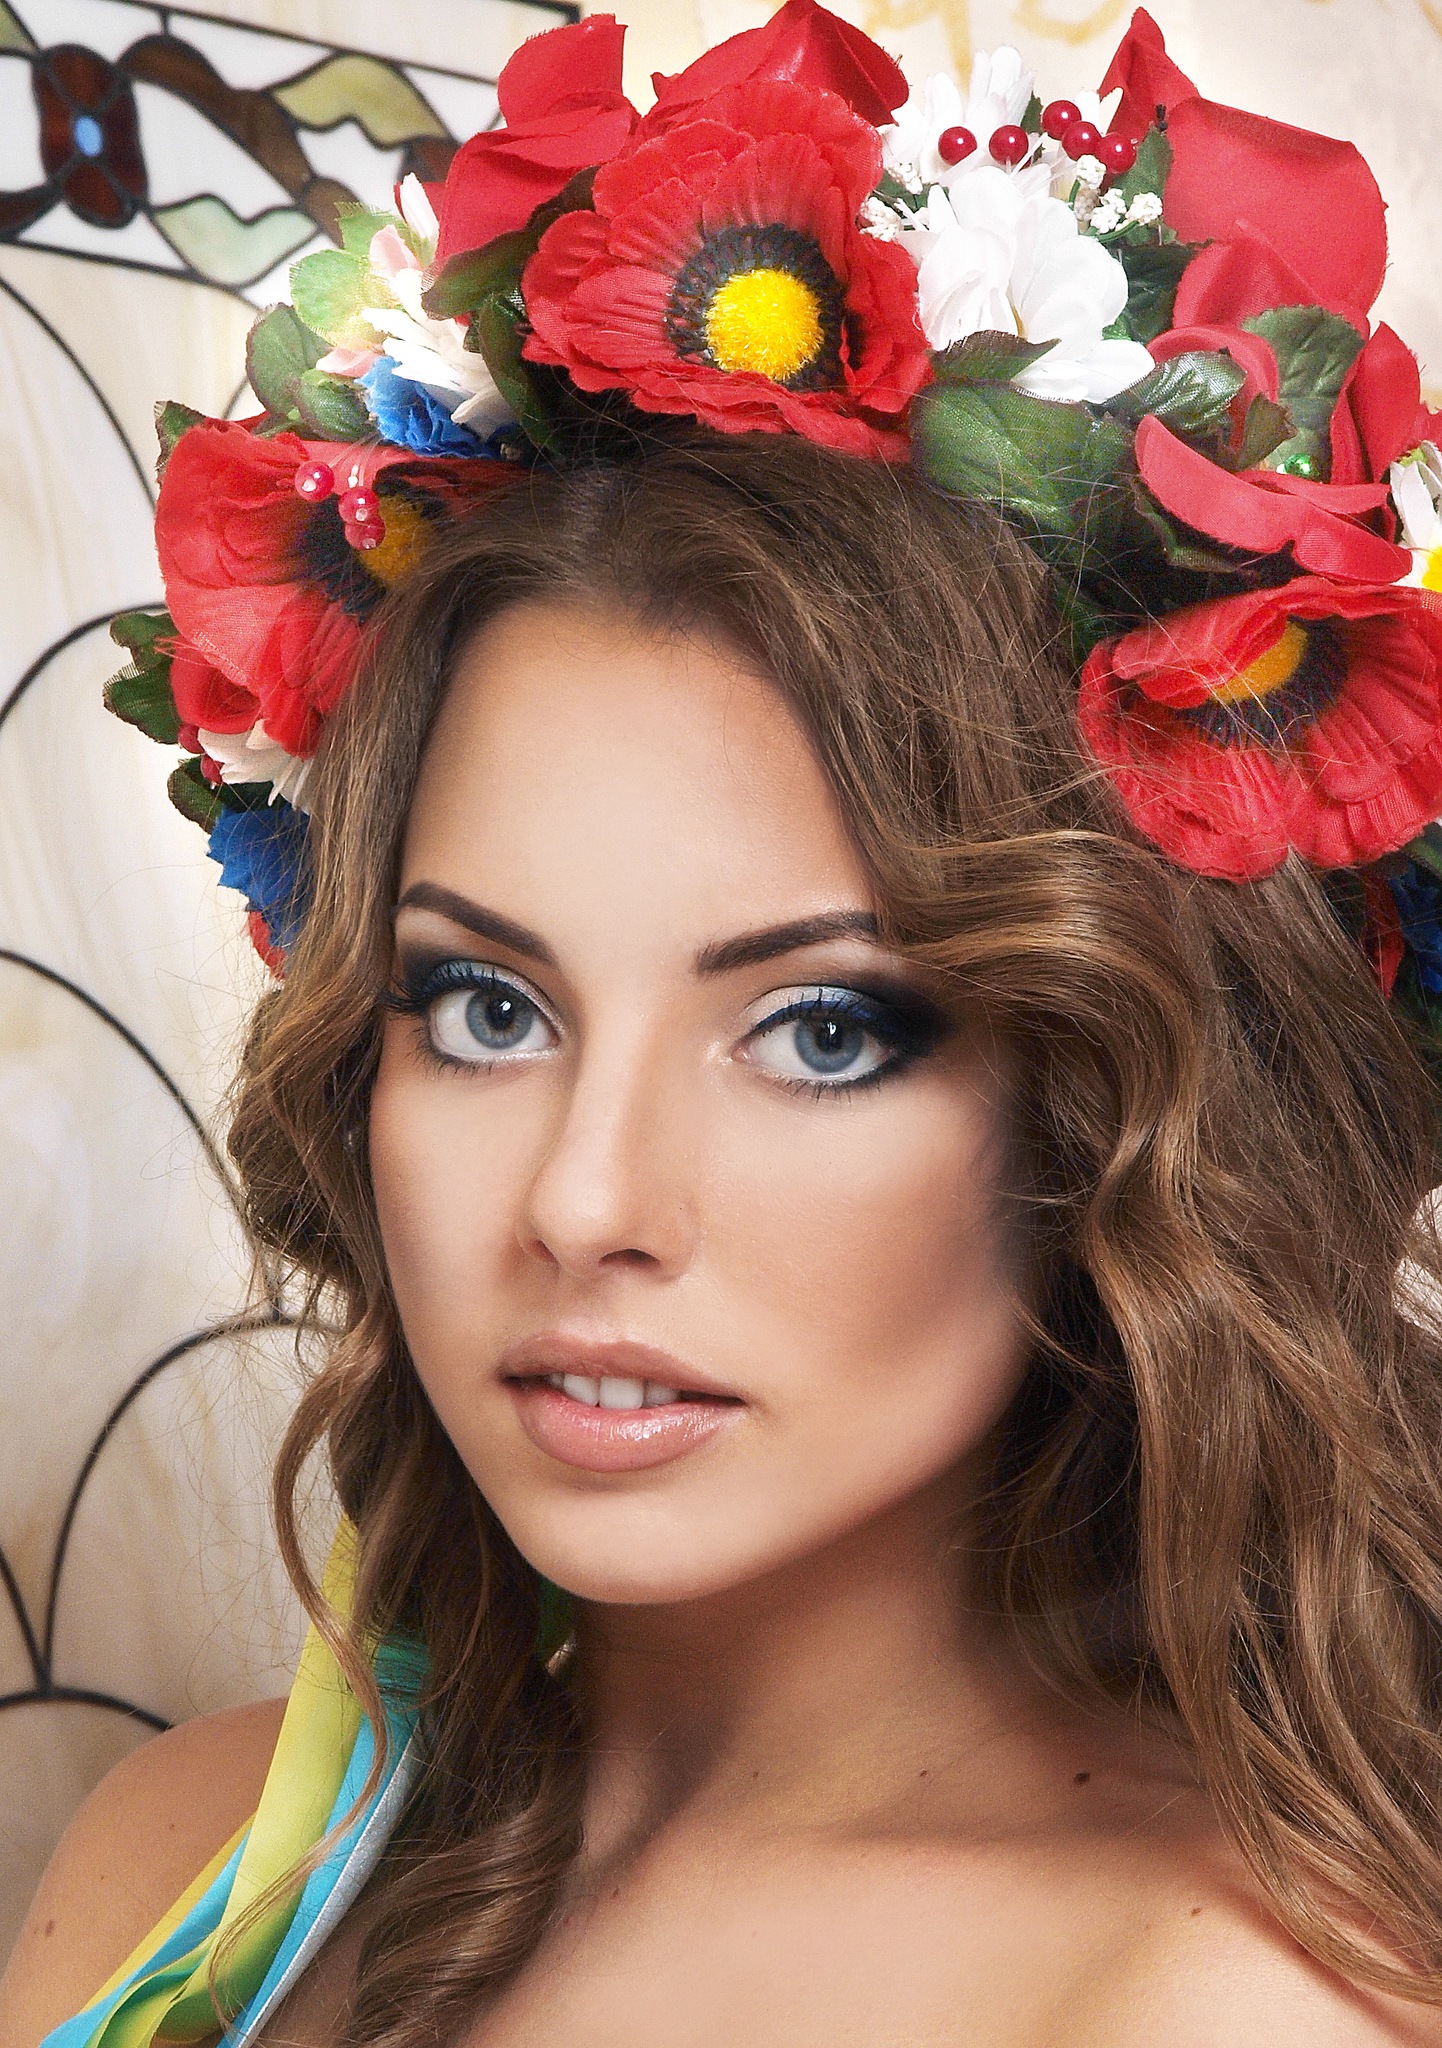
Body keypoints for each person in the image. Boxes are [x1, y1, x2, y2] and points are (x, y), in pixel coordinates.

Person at [5, 6, 1442, 2044]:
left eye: (822, 1032)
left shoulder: (1218, 2001)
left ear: (1122, 1101)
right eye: (485, 1005)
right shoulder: (182, 1851)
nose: (584, 1202)